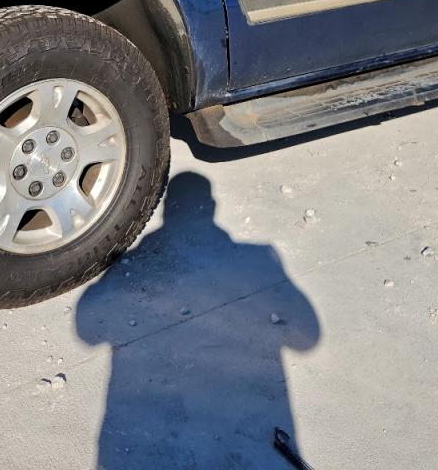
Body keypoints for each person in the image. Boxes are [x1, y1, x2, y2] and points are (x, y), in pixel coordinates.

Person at [76, 170, 320, 468]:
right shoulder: (258, 258)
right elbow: (308, 337)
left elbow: (87, 329)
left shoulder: (139, 255)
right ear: (213, 207)